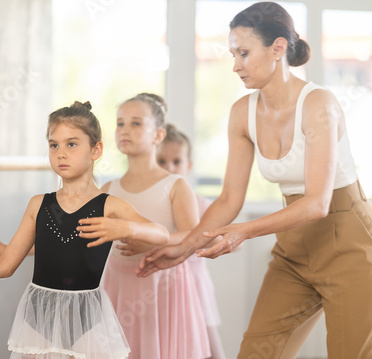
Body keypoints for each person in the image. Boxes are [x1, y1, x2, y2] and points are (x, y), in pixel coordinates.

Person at [137, 2, 372, 358]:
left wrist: (242, 232)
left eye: (244, 53)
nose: (235, 65)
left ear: (278, 48)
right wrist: (184, 248)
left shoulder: (318, 104)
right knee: (256, 351)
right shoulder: (241, 113)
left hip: (349, 243)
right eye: (233, 54)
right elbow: (230, 199)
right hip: (293, 250)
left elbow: (317, 203)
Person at [0, 101, 170, 359]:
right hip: (38, 321)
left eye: (72, 143)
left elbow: (161, 234)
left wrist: (123, 227)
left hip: (88, 321)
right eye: (53, 145)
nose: (61, 153)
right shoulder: (38, 204)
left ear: (96, 150)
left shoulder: (110, 206)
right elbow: (3, 267)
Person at [101, 93, 210, 359]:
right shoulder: (108, 189)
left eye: (136, 123)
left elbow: (193, 235)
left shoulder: (175, 185)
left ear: (158, 135)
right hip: (119, 283)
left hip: (163, 285)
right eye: (120, 123)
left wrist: (151, 239)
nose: (125, 130)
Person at [156, 123, 226, 359]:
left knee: (209, 349)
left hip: (195, 288)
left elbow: (230, 238)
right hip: (159, 289)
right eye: (161, 161)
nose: (170, 168)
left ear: (188, 166)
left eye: (176, 162)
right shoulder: (150, 206)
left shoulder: (202, 204)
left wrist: (209, 240)